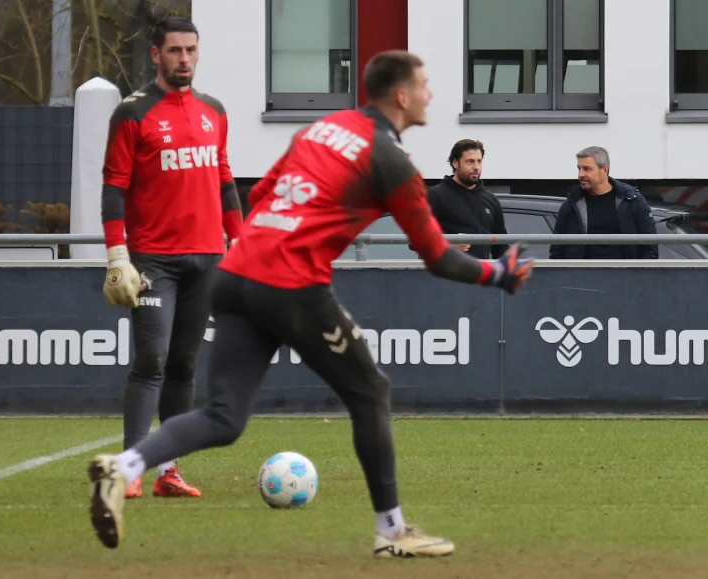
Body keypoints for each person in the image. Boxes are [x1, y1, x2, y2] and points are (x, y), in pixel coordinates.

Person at [86, 50, 534, 557]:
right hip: (291, 284)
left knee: (224, 417)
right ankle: (392, 532)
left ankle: (122, 469)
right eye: (426, 85)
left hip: (234, 275)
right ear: (403, 96)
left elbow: (261, 197)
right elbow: (437, 256)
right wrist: (498, 273)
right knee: (371, 392)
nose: (432, 94)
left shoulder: (321, 129)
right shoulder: (393, 161)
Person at [99, 16, 244, 500]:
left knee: (184, 364)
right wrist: (118, 254)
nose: (185, 59)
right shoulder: (132, 112)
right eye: (175, 51)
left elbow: (224, 178)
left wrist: (239, 242)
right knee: (151, 358)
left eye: (191, 50)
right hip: (152, 260)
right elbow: (114, 188)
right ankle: (132, 467)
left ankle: (169, 471)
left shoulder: (214, 110)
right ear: (156, 54)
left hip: (207, 256)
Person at [549, 146, 658, 260]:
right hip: (582, 275)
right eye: (579, 168)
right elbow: (557, 251)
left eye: (587, 169)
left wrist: (641, 275)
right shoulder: (572, 204)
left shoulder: (632, 200)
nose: (581, 174)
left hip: (625, 274)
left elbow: (650, 247)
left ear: (605, 170)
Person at [425, 139, 508, 259]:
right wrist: (447, 246)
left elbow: (501, 245)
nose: (476, 167)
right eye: (470, 162)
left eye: (479, 161)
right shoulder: (435, 196)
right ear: (455, 163)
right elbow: (416, 241)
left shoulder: (490, 199)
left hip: (481, 274)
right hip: (444, 274)